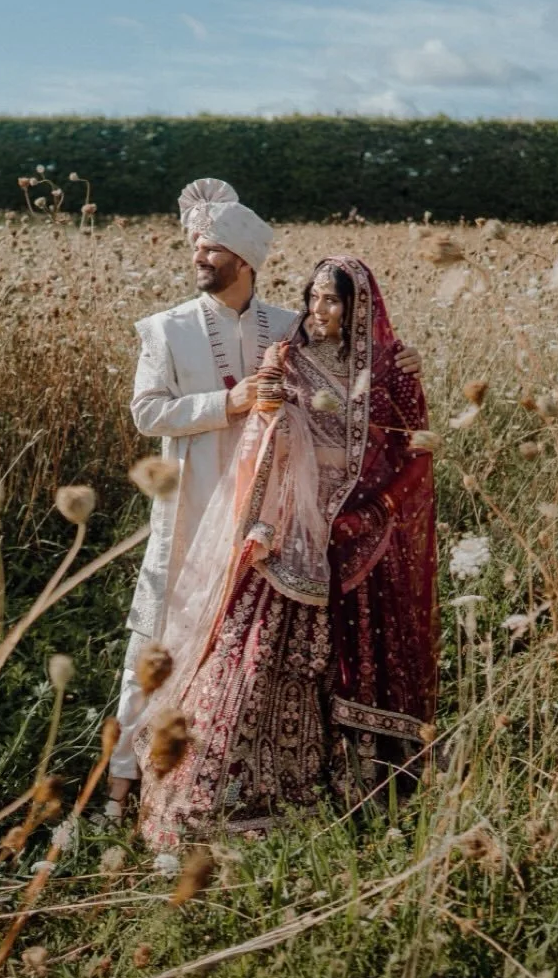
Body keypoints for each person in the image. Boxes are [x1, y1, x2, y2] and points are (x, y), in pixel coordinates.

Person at [107, 185, 422, 814]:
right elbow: (146, 413)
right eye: (196, 248)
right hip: (192, 500)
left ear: (245, 260)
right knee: (161, 626)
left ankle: (225, 770)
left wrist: (401, 357)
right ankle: (121, 776)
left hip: (273, 516)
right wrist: (230, 402)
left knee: (238, 640)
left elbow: (353, 354)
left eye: (212, 250)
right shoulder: (165, 329)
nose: (199, 259)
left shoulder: (287, 325)